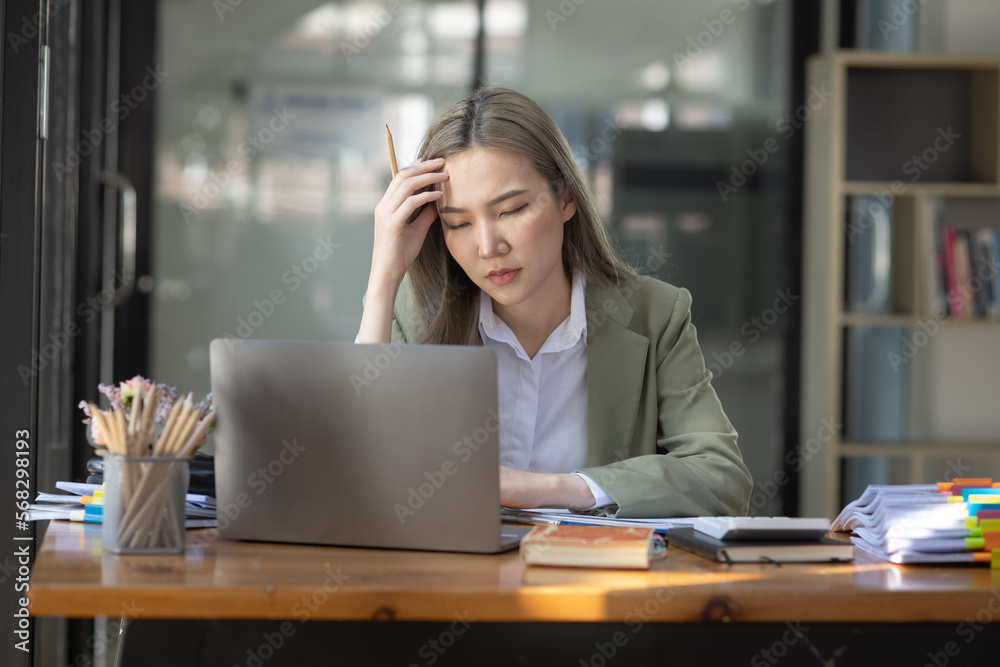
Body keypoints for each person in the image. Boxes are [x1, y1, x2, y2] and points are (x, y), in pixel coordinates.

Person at [358, 87, 752, 518]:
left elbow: (722, 479)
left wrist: (548, 488)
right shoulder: (419, 318)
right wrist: (384, 281)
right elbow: (353, 476)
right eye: (459, 223)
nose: (488, 246)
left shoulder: (654, 315)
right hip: (456, 580)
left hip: (588, 580)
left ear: (566, 198)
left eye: (511, 210)